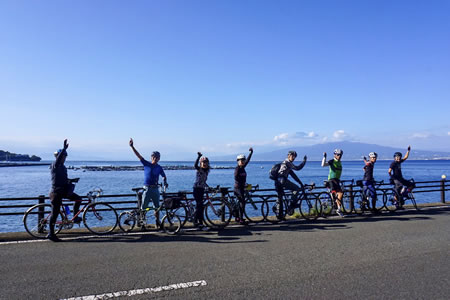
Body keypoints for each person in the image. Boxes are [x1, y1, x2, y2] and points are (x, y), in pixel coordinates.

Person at [48, 139, 83, 242]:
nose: (64, 158)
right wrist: (64, 149)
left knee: (78, 199)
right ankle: (51, 234)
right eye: (63, 156)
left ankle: (75, 217)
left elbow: (63, 179)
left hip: (63, 191)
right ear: (59, 156)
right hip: (56, 192)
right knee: (55, 213)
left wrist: (71, 180)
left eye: (65, 156)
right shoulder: (56, 165)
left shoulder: (63, 167)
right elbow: (58, 160)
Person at [129, 138, 168, 228]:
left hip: (155, 189)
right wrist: (132, 146)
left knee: (157, 207)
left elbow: (164, 175)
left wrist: (165, 181)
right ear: (151, 157)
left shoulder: (159, 167)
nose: (155, 158)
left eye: (157, 157)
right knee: (144, 208)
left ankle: (157, 222)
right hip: (147, 188)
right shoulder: (147, 164)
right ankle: (142, 222)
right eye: (153, 157)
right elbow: (138, 155)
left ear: (159, 158)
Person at [275, 150, 307, 219]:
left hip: (278, 181)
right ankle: (291, 204)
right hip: (282, 181)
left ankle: (280, 215)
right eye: (292, 156)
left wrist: (300, 182)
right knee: (296, 188)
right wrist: (304, 162)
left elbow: (293, 175)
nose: (293, 158)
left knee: (280, 198)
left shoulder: (285, 163)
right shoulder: (287, 163)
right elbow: (297, 168)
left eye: (294, 157)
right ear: (288, 156)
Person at [322, 149, 344, 217]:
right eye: (338, 155)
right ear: (335, 155)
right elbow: (323, 165)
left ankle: (338, 209)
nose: (339, 156)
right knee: (334, 194)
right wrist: (324, 157)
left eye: (340, 155)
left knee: (340, 194)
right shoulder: (332, 161)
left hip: (337, 181)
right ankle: (333, 207)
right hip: (331, 180)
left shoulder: (339, 162)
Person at [234, 148, 254, 225]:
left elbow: (248, 160)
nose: (242, 161)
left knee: (240, 203)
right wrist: (243, 183)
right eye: (240, 160)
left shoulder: (243, 167)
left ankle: (238, 217)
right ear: (238, 161)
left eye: (243, 160)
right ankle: (241, 219)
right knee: (242, 202)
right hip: (238, 188)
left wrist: (251, 153)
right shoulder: (237, 169)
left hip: (241, 187)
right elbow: (236, 177)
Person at [193, 152, 210, 229]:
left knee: (201, 206)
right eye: (203, 162)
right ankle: (195, 221)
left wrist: (208, 187)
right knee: (199, 206)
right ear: (201, 163)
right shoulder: (199, 169)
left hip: (202, 189)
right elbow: (195, 166)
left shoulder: (206, 171)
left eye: (206, 162)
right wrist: (198, 157)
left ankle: (200, 222)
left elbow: (203, 181)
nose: (205, 164)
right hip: (197, 189)